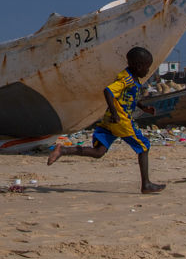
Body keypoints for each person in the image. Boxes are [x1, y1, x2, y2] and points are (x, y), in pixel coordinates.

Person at [47, 46, 166, 194]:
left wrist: (143, 107)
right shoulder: (126, 79)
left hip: (110, 121)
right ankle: (146, 184)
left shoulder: (132, 78)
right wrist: (116, 114)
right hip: (120, 120)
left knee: (98, 152)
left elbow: (128, 97)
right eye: (147, 68)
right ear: (138, 66)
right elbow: (108, 91)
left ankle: (63, 150)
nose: (148, 71)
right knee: (144, 146)